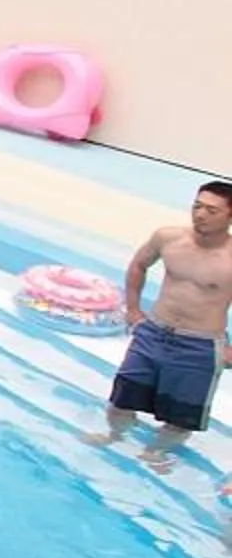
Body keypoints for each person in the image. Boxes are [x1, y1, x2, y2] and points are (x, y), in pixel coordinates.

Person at [88, 180, 232, 471]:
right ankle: (115, 435)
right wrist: (133, 309)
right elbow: (139, 264)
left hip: (200, 344)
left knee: (180, 415)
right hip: (153, 333)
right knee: (121, 398)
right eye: (197, 206)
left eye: (212, 211)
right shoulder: (168, 238)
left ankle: (155, 452)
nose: (200, 215)